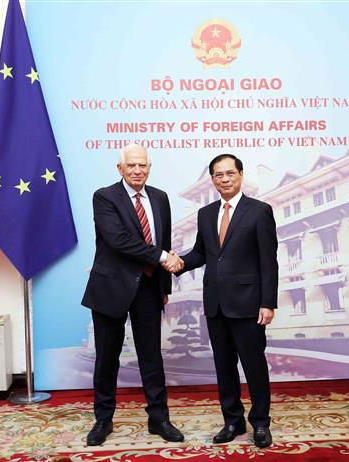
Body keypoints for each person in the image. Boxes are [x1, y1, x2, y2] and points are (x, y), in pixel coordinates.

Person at [81, 144, 184, 446]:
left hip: (149, 290)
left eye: (143, 166)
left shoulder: (161, 198)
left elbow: (162, 238)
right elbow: (119, 240)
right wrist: (165, 257)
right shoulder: (105, 197)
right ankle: (103, 419)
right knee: (107, 358)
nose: (138, 171)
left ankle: (159, 418)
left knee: (152, 357)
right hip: (111, 288)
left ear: (149, 167)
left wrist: (164, 288)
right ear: (120, 169)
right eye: (132, 166)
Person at [178, 154, 278, 448]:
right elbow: (201, 253)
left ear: (241, 175)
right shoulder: (206, 214)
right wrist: (177, 262)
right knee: (224, 367)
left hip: (249, 304)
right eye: (218, 175)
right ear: (212, 180)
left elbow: (268, 262)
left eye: (229, 173)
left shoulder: (259, 211)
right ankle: (232, 421)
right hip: (215, 304)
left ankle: (260, 423)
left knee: (254, 366)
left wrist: (268, 302)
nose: (224, 179)